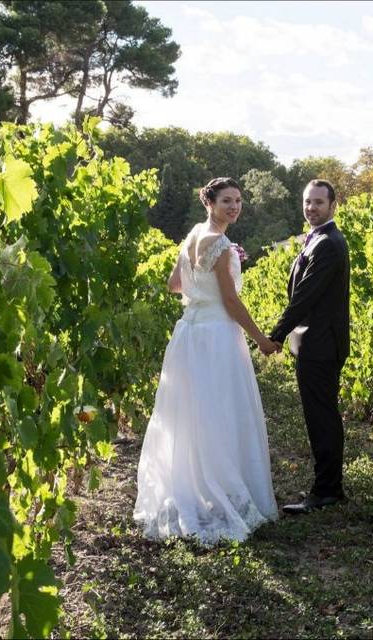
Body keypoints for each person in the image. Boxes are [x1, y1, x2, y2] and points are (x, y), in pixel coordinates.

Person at [133, 177, 280, 544]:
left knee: (191, 414)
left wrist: (201, 292)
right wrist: (260, 338)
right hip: (216, 335)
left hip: (188, 333)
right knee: (219, 412)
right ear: (210, 203)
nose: (235, 207)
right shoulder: (223, 245)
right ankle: (219, 494)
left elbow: (174, 285)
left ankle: (192, 489)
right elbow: (231, 302)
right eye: (227, 201)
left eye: (239, 201)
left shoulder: (193, 236)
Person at [265, 179, 351, 515]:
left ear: (333, 205)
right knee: (321, 415)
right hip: (315, 343)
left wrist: (275, 335)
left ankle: (327, 490)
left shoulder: (329, 244)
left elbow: (305, 297)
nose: (311, 208)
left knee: (322, 418)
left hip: (321, 344)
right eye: (307, 202)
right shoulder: (317, 240)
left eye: (318, 202)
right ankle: (328, 485)